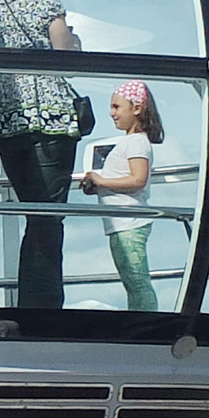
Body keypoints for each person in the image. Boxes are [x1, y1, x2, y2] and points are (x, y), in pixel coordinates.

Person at [0, 0, 81, 311]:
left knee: (36, 215)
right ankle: (44, 309)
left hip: (2, 122)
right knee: (49, 218)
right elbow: (66, 57)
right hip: (48, 119)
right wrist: (75, 42)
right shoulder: (46, 4)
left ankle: (34, 305)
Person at [76, 79, 168, 310]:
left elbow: (138, 180)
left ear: (136, 108)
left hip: (128, 222)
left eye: (117, 107)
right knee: (133, 281)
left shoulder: (136, 142)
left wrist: (101, 181)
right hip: (123, 222)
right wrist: (98, 186)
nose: (112, 113)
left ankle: (146, 322)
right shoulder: (132, 141)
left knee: (137, 282)